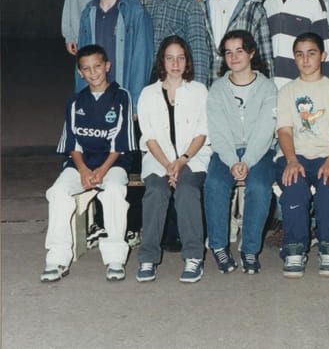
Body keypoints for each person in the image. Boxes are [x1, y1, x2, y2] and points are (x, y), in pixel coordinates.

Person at [41, 45, 136, 282]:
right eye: (86, 68)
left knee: (114, 191)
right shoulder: (75, 101)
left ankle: (115, 258)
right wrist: (83, 170)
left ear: (107, 66)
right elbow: (72, 143)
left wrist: (102, 171)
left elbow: (121, 142)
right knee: (58, 192)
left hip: (114, 162)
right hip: (81, 164)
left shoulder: (121, 96)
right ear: (80, 72)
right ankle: (58, 258)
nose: (93, 73)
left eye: (97, 66)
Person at [275, 32, 329, 278]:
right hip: (294, 155)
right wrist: (291, 160)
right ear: (294, 58)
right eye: (299, 54)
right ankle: (294, 247)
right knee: (294, 186)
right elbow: (284, 131)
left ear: (322, 56)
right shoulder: (287, 91)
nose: (305, 60)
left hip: (327, 155)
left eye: (311, 53)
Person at [135, 36, 211, 283]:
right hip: (159, 159)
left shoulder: (199, 91)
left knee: (187, 190)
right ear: (162, 61)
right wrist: (168, 164)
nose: (175, 64)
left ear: (187, 61)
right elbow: (148, 136)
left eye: (180, 58)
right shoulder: (148, 94)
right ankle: (148, 257)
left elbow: (202, 132)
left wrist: (181, 161)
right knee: (156, 192)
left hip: (193, 158)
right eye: (170, 58)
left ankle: (193, 257)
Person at [204, 30, 277, 275]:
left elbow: (266, 129)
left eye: (239, 51)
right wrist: (232, 161)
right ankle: (218, 246)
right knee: (215, 184)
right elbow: (218, 130)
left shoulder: (267, 87)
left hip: (260, 150)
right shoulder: (217, 89)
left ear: (251, 53)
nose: (233, 57)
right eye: (228, 52)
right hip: (226, 150)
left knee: (259, 187)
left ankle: (250, 249)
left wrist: (247, 160)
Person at [75, 0, 153, 111]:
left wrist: (135, 103)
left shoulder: (136, 12)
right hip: (94, 95)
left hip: (122, 97)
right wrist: (80, 98)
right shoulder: (88, 12)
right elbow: (81, 62)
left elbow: (142, 61)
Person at [203, 0, 274, 84]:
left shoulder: (253, 7)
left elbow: (266, 58)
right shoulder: (202, 6)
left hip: (243, 89)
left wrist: (267, 91)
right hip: (209, 90)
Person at [144, 0, 211, 86]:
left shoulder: (190, 7)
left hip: (180, 80)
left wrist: (197, 89)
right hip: (152, 81)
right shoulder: (148, 8)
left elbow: (198, 52)